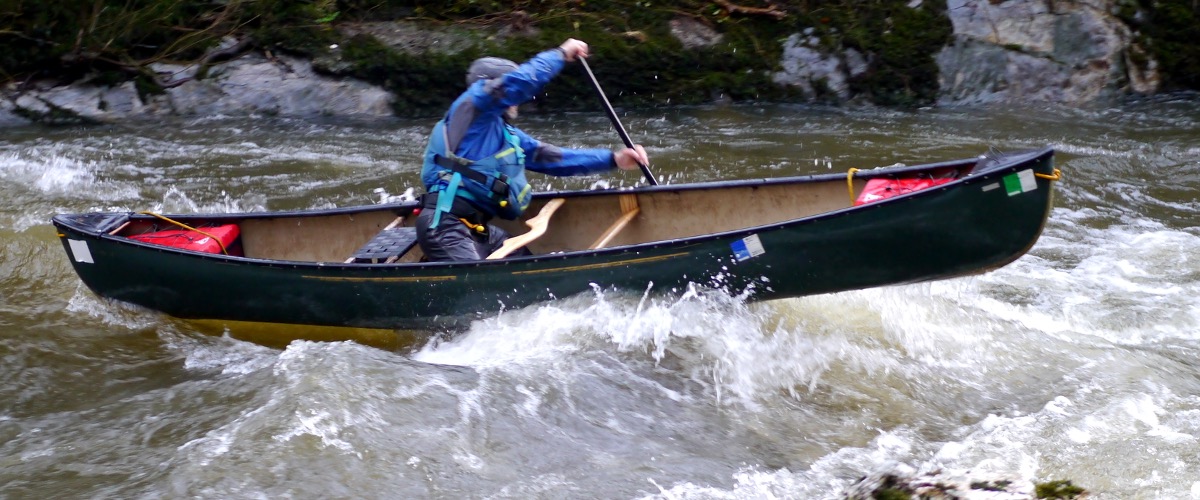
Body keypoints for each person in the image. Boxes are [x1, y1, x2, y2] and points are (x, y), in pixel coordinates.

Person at [417, 38, 649, 262]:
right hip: (444, 225)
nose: (517, 101)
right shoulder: (470, 108)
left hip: (477, 228)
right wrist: (560, 54)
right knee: (482, 287)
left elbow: (552, 158)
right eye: (509, 92)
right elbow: (519, 83)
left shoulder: (507, 135)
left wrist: (614, 159)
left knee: (523, 265)